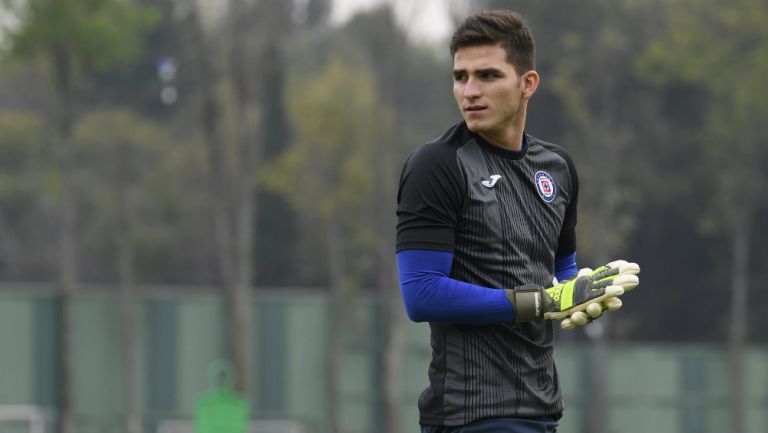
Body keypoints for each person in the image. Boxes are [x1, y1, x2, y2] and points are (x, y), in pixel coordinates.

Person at [395, 10, 640, 433]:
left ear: (528, 84)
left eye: (488, 75)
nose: (470, 91)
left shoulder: (558, 167)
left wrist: (582, 294)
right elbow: (421, 293)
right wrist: (541, 302)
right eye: (460, 77)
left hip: (543, 411)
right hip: (469, 416)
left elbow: (559, 271)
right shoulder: (436, 166)